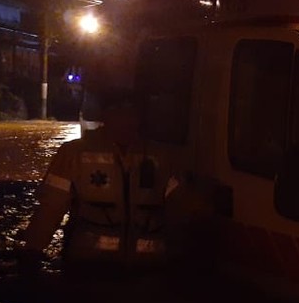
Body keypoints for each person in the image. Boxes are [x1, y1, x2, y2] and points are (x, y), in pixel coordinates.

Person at [16, 85, 190, 280]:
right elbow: (51, 207)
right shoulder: (74, 153)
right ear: (104, 114)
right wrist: (33, 251)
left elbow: (180, 210)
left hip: (149, 272)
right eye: (117, 110)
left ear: (140, 116)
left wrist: (183, 262)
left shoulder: (162, 156)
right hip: (88, 269)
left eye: (131, 110)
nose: (125, 118)